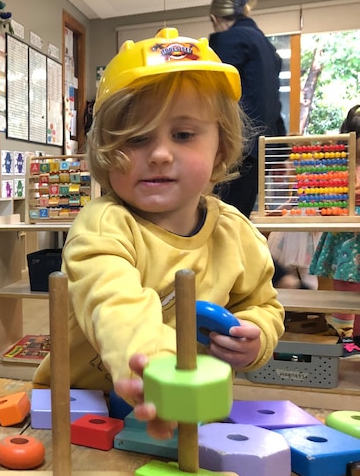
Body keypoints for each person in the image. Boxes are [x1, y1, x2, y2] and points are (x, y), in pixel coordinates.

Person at [32, 28, 285, 437]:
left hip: (189, 415)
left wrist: (256, 340)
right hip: (82, 414)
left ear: (220, 147)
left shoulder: (236, 233)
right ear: (104, 151)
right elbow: (114, 304)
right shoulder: (103, 225)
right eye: (136, 139)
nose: (161, 154)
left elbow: (264, 305)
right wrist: (156, 366)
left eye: (183, 135)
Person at [208, 0, 286, 216]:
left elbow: (213, 92)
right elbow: (273, 102)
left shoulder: (228, 40)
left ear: (215, 18)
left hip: (235, 145)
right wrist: (281, 151)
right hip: (260, 149)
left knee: (215, 217)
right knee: (236, 218)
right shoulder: (266, 46)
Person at [309, 104, 360, 356]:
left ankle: (357, 336)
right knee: (345, 287)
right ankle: (346, 337)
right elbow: (324, 202)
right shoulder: (339, 166)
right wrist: (344, 196)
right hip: (345, 240)